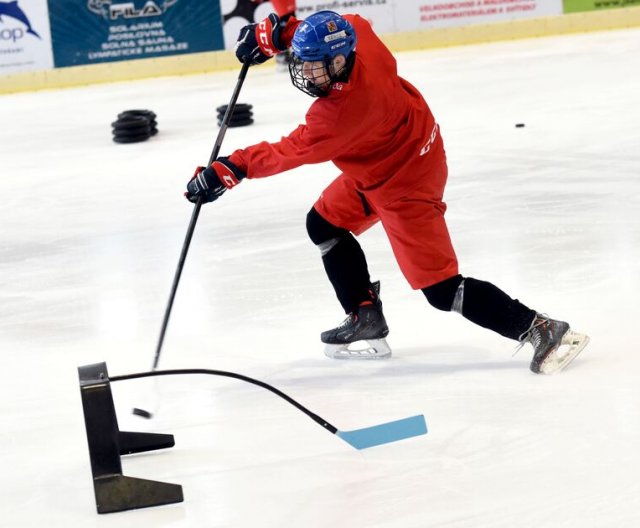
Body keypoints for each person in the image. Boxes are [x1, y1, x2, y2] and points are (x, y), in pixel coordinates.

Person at [185, 10, 589, 374]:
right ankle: (364, 314)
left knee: (441, 289)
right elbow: (351, 20)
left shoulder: (340, 116)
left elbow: (286, 152)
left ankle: (538, 327)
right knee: (322, 223)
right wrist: (279, 34)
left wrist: (229, 169)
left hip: (407, 183)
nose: (305, 74)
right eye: (302, 62)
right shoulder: (359, 37)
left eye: (314, 66)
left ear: (340, 61)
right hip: (389, 155)